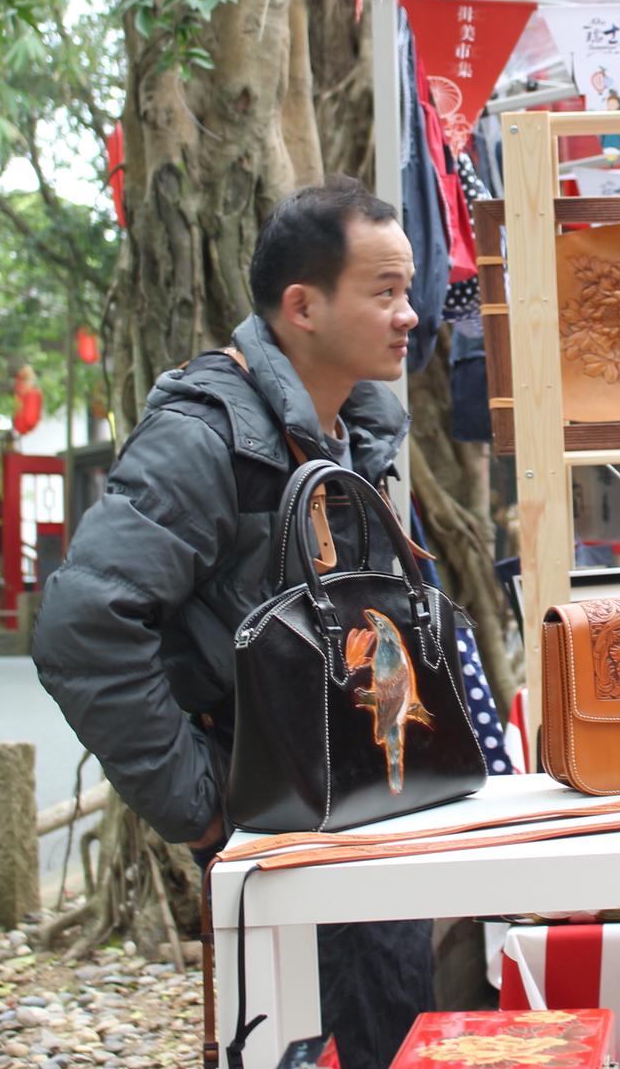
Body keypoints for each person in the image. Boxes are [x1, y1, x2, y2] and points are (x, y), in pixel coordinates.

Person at [32, 177, 435, 1069]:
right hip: (275, 828)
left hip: (366, 805)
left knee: (397, 1032)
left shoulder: (357, 431)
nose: (411, 314)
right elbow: (81, 627)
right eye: (385, 292)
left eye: (408, 290)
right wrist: (205, 807)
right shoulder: (205, 437)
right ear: (303, 306)